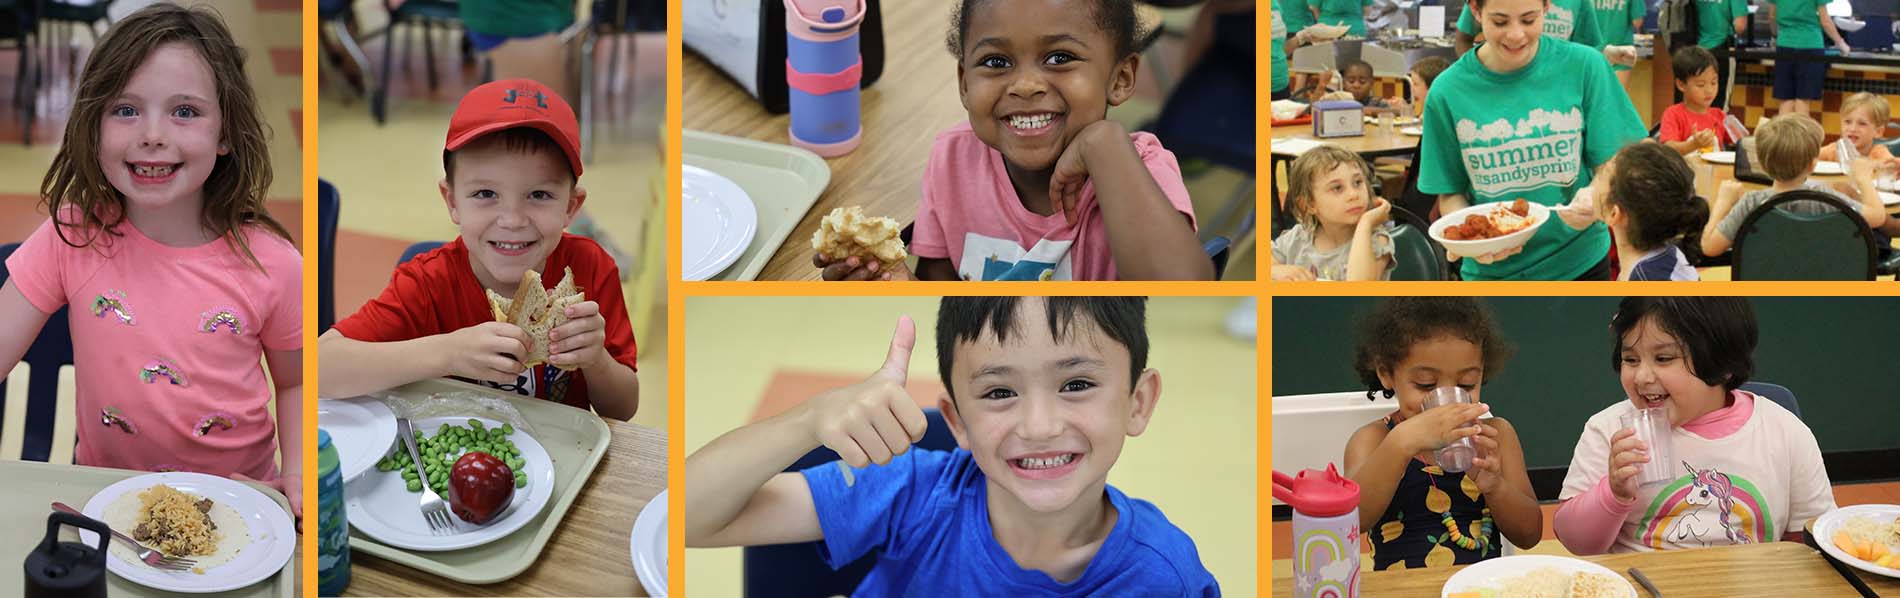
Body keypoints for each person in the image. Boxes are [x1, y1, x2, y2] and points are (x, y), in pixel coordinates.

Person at [684, 297, 1219, 596]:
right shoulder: (911, 495)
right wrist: (807, 420)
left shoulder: (1165, 576)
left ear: (1138, 401)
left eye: (1076, 385)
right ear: (957, 422)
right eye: (999, 392)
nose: (1038, 425)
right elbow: (687, 516)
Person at [0, 4, 303, 515]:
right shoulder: (72, 236)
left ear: (225, 132)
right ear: (92, 126)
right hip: (103, 505)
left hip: (240, 506)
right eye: (125, 109)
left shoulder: (272, 262)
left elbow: (295, 381)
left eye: (185, 111)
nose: (153, 134)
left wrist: (296, 473)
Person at [319, 79, 640, 421]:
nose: (513, 220)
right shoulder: (427, 283)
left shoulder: (590, 268)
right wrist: (448, 352)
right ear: (453, 201)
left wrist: (597, 361)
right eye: (486, 194)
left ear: (571, 208)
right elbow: (321, 368)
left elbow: (623, 409)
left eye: (539, 195)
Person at [821, 0, 1208, 281]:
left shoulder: (1138, 167)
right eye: (996, 62)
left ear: (1120, 79)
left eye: (1059, 58)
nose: (1025, 86)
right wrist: (898, 285)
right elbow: (943, 287)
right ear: (964, 83)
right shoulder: (953, 158)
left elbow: (1182, 288)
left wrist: (1103, 144)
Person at [1554, 297, 1835, 553]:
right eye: (1631, 359)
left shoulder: (1785, 432)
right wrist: (1613, 492)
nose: (1641, 377)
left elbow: (1811, 542)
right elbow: (1576, 543)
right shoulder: (1608, 429)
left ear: (1723, 365)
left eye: (1663, 358)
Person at [1417, 0, 1648, 280]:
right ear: (1476, 12)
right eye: (1500, 22)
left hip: (1579, 261)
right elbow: (1450, 192)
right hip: (1493, 276)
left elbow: (1618, 159)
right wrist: (1473, 241)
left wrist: (1596, 193)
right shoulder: (1447, 91)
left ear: (1547, 8)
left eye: (1528, 20)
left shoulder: (1585, 65)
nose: (1516, 35)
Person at [1344, 297, 1542, 570]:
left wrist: (1495, 486)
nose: (1447, 401)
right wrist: (1400, 444)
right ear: (1386, 373)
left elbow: (1529, 535)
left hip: (1478, 588)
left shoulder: (1496, 435)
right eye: (1426, 385)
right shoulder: (1373, 439)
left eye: (1466, 384)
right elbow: (1351, 522)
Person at [1699, 114, 1888, 257]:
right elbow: (1877, 217)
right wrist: (1863, 179)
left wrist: (1722, 203)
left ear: (1763, 166)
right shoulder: (1825, 198)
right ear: (1812, 165)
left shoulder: (1752, 203)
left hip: (1762, 301)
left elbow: (1709, 248)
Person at [1271, 146, 1397, 281]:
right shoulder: (1298, 238)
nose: (1353, 195)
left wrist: (1366, 222)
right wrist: (1274, 270)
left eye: (1358, 182)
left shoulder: (1377, 240)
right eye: (1337, 188)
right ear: (1309, 204)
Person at [1586, 141, 1705, 281]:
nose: (1594, 179)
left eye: (1602, 172)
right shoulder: (1669, 257)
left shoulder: (1641, 289)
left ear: (1614, 213)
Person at [1765, 0, 1853, 117]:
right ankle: (1803, 135)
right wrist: (1841, 44)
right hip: (1810, 45)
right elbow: (1825, 21)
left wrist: (1776, 36)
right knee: (1803, 100)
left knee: (1786, 100)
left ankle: (1783, 135)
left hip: (1784, 46)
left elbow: (1771, 17)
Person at [1659, 46, 1734, 156]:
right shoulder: (1673, 114)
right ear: (1681, 84)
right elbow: (1668, 149)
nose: (1709, 91)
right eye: (1701, 85)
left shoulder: (1720, 116)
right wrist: (1693, 145)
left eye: (1713, 82)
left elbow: (1740, 142)